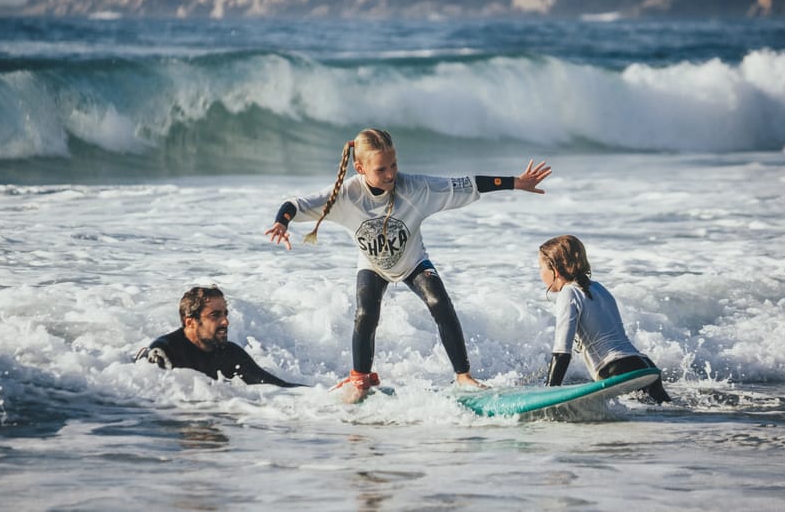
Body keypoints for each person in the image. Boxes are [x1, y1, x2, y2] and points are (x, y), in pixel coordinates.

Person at [265, 128, 551, 402]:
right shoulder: (346, 195)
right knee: (365, 313)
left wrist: (516, 182)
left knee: (440, 303)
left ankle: (463, 376)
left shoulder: (416, 188)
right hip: (373, 264)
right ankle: (360, 380)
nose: (391, 175)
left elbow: (468, 184)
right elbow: (297, 203)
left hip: (413, 259)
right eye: (381, 169)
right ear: (360, 167)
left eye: (394, 165)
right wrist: (282, 221)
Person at [538, 235, 671, 403]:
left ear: (555, 270)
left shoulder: (569, 292)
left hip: (616, 371)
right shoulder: (599, 288)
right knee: (669, 413)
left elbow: (562, 352)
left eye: (540, 267)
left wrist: (548, 396)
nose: (540, 273)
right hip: (644, 366)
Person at [136, 286, 304, 387]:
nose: (225, 322)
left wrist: (322, 396)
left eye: (225, 314)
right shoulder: (164, 352)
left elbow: (277, 387)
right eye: (215, 315)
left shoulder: (229, 353)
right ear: (190, 323)